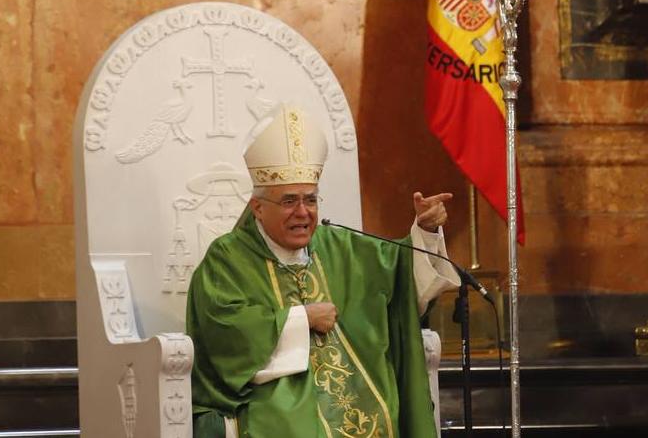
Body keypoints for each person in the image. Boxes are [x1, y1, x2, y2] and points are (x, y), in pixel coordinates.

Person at [186, 104, 461, 438]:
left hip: (361, 397)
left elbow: (401, 279)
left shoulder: (341, 247)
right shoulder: (228, 258)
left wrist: (425, 232)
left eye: (311, 200)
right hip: (276, 397)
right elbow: (222, 333)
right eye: (289, 201)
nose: (303, 212)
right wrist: (302, 319)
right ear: (257, 208)